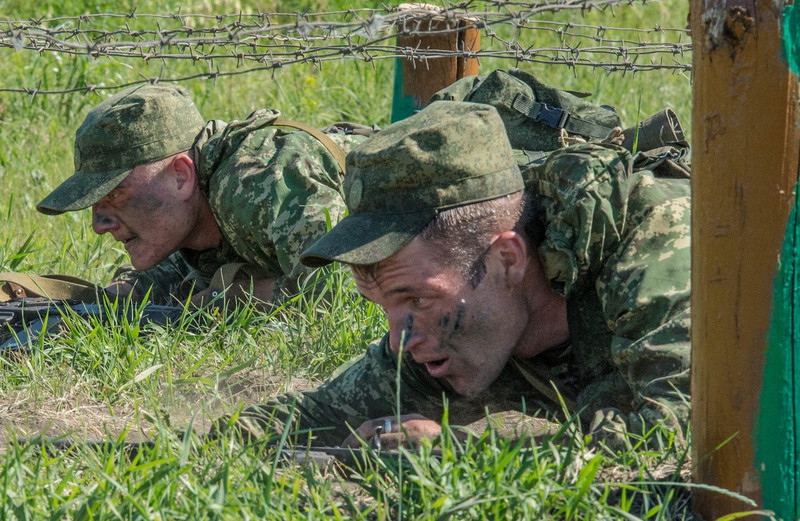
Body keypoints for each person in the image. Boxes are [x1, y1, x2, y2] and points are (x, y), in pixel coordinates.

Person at [225, 100, 691, 450]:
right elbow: (320, 414)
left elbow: (682, 434)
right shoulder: (466, 326)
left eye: (417, 301)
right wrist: (183, 452)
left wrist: (461, 455)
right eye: (386, 307)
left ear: (506, 260)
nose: (397, 341)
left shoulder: (656, 246)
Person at [36, 84, 369, 306]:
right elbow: (195, 259)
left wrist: (222, 299)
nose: (98, 225)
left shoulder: (258, 182)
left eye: (116, 194)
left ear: (180, 176)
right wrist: (123, 295)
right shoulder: (195, 207)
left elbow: (336, 291)